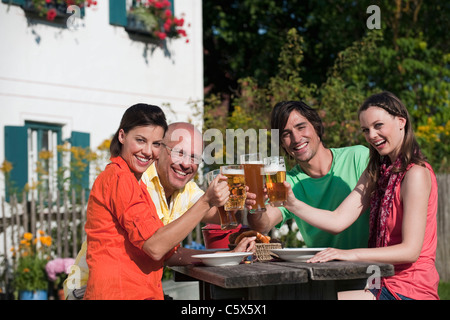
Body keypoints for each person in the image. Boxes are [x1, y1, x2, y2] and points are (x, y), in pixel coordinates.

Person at [80, 104, 254, 300]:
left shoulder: (134, 182)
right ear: (122, 136)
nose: (147, 151)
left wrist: (242, 203)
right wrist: (206, 201)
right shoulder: (121, 178)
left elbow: (167, 251)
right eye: (140, 140)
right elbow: (155, 247)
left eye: (155, 144)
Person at [282, 92, 439, 300]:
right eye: (366, 130)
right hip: (377, 281)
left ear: (401, 121)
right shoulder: (377, 171)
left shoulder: (415, 173)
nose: (372, 135)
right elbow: (338, 220)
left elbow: (410, 251)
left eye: (378, 125)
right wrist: (291, 203)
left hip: (409, 288)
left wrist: (349, 254)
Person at [247, 100, 370, 250]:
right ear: (282, 144)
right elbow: (263, 224)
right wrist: (255, 206)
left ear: (316, 127)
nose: (296, 138)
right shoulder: (287, 183)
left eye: (301, 127)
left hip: (373, 267)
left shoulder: (358, 157)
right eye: (286, 134)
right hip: (324, 270)